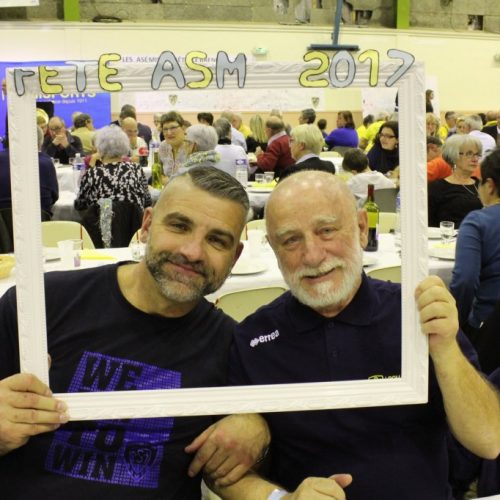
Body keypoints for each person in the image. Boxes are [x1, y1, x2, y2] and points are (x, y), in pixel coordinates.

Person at [218, 171, 500, 500]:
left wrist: (446, 349)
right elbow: (224, 473)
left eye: (326, 231)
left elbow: (489, 440)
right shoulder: (254, 339)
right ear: (274, 249)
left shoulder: (414, 316)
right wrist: (281, 499)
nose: (313, 255)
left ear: (362, 228)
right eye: (291, 240)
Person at [0, 166, 270, 498]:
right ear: (146, 225)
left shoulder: (233, 346)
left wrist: (259, 425)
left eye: (217, 240)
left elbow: (234, 469)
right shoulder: (40, 304)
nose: (192, 252)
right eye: (179, 226)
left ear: (235, 256)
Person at [449, 149, 500, 370]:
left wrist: (457, 324)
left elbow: (465, 280)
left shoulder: (478, 222)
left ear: (489, 185)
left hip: (489, 330)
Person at [75, 125, 151, 211]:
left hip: (105, 219)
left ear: (100, 147)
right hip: (135, 219)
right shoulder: (136, 169)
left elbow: (80, 204)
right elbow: (148, 201)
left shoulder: (92, 173)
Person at [0, 126, 58, 217]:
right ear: (39, 143)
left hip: (2, 220)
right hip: (40, 220)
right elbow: (54, 196)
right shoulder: (46, 163)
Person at [428, 134, 483, 228]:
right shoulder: (437, 188)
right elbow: (430, 224)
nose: (475, 159)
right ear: (454, 156)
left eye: (477, 154)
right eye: (469, 154)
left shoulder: (482, 184)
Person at [158, 111, 193, 178]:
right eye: (165, 129)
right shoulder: (163, 146)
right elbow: (160, 173)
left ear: (183, 128)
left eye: (173, 128)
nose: (169, 133)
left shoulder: (192, 146)